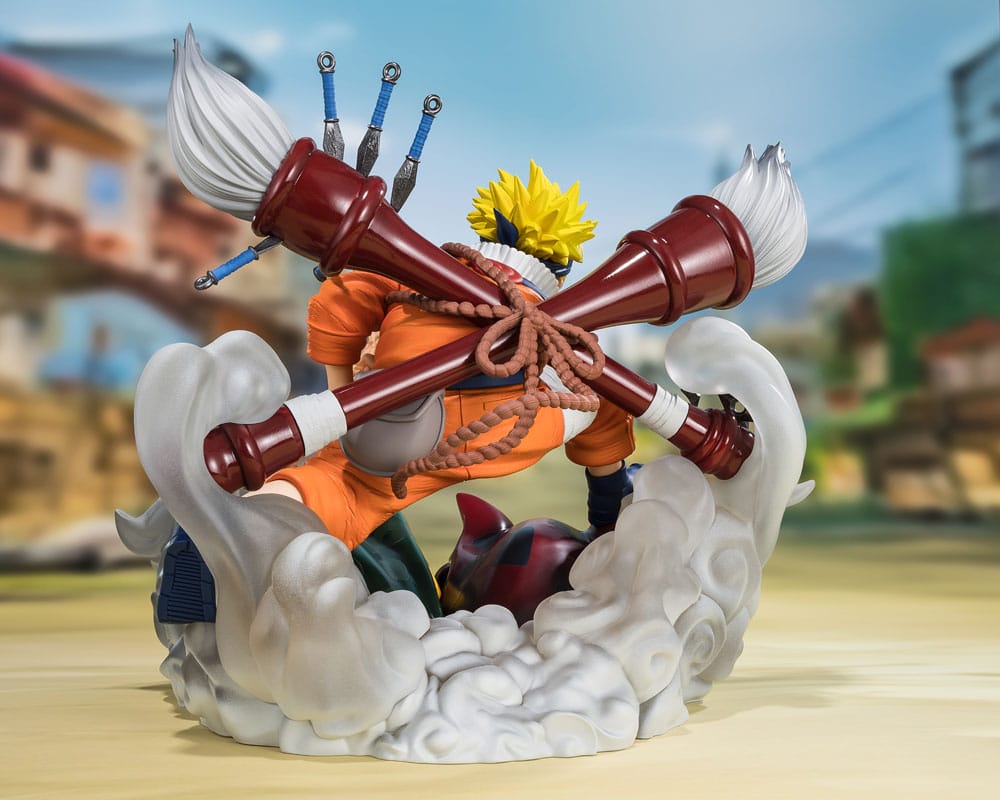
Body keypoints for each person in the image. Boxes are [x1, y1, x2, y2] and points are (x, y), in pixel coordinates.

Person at [253, 161, 636, 549]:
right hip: (515, 423)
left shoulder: (421, 271)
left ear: (488, 230)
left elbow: (341, 298)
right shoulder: (550, 315)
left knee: (339, 485)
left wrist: (344, 403)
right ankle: (610, 512)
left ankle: (253, 526)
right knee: (602, 395)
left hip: (403, 415)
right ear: (561, 266)